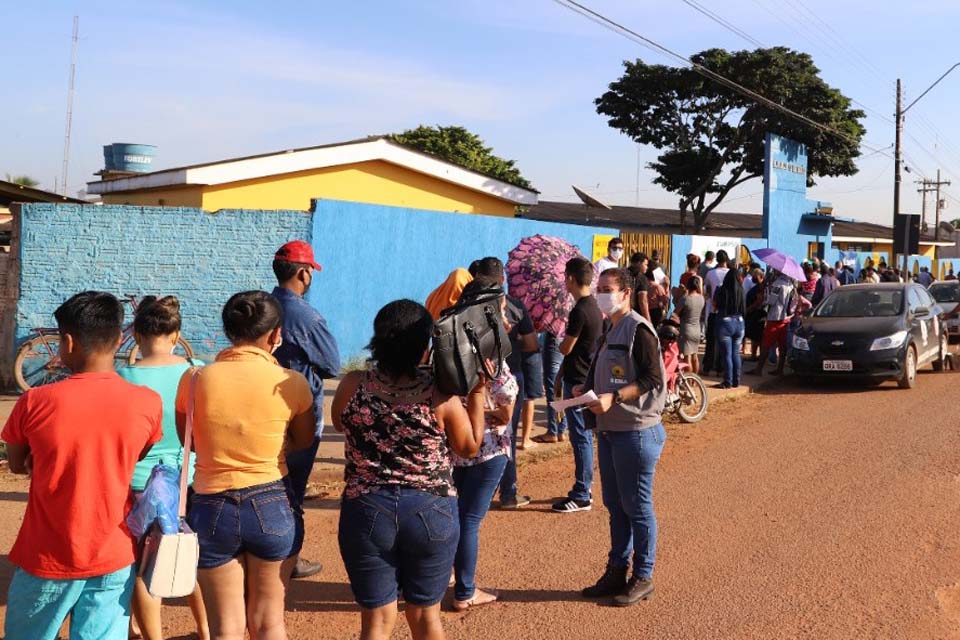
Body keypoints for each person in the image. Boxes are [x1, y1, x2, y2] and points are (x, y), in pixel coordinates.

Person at [3, 291, 163, 640]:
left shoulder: (35, 401)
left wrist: (45, 457)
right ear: (119, 338)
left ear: (68, 341)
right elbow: (135, 453)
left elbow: (16, 463)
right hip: (114, 552)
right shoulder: (147, 403)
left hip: (47, 554)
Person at [332, 299, 487, 640]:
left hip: (367, 507)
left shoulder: (352, 385)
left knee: (376, 620)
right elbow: (468, 447)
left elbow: (339, 423)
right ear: (426, 346)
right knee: (425, 616)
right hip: (431, 510)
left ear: (377, 340)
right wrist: (477, 394)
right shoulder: (440, 395)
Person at [179, 291, 316, 639]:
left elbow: (187, 440)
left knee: (225, 628)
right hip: (272, 502)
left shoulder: (194, 379)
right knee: (269, 622)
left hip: (211, 506)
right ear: (275, 335)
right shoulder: (293, 383)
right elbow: (302, 441)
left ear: (229, 331)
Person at [118, 296, 210, 640]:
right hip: (188, 480)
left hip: (137, 482)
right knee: (189, 555)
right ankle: (205, 630)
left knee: (144, 565)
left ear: (137, 336)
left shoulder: (121, 377)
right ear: (176, 334)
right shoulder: (197, 370)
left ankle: (151, 635)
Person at [579, 268, 666, 607]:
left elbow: (652, 378)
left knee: (637, 507)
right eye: (599, 288)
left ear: (626, 293)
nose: (601, 294)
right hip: (611, 430)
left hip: (636, 432)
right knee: (615, 506)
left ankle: (643, 575)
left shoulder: (638, 329)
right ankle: (617, 569)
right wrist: (584, 392)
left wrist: (613, 398)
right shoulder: (609, 328)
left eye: (608, 289)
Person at [271, 240, 341, 580]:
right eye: (310, 270)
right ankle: (288, 560)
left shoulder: (261, 305)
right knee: (292, 491)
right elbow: (330, 364)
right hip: (298, 413)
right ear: (304, 273)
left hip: (262, 411)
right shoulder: (306, 315)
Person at [449, 278, 519, 609]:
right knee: (469, 520)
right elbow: (505, 412)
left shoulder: (451, 341)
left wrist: (464, 411)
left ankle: (443, 577)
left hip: (455, 445)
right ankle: (465, 591)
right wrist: (484, 409)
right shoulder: (492, 347)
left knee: (454, 515)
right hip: (488, 449)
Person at [470, 257, 538, 509]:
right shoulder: (516, 306)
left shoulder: (465, 307)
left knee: (473, 430)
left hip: (473, 377)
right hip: (508, 376)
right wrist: (512, 340)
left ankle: (473, 490)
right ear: (502, 280)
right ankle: (508, 494)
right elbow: (532, 345)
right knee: (505, 434)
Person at [552, 257, 604, 514]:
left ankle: (582, 493)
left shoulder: (580, 311)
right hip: (583, 378)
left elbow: (567, 347)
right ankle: (584, 489)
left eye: (565, 276)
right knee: (583, 437)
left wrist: (559, 340)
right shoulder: (593, 307)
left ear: (571, 278)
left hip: (579, 383)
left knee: (581, 438)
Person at [749, 271, 796, 377]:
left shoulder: (778, 284)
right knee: (782, 346)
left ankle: (759, 369)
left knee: (766, 344)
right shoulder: (790, 284)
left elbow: (771, 301)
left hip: (775, 317)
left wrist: (765, 296)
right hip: (786, 318)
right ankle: (780, 369)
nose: (774, 271)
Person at [714, 270, 747, 389]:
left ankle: (727, 381)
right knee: (735, 353)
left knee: (726, 354)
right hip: (739, 322)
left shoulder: (721, 290)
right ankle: (736, 381)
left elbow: (715, 305)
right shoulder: (741, 290)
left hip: (725, 323)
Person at [702, 250, 731, 376]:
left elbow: (707, 292)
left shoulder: (710, 273)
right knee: (723, 341)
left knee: (711, 341)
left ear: (716, 260)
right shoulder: (731, 274)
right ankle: (720, 369)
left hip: (713, 311)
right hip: (727, 311)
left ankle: (707, 368)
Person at [533, 331, 565, 443]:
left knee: (553, 389)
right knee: (560, 388)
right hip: (564, 337)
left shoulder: (554, 314)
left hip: (554, 339)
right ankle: (560, 429)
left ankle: (553, 431)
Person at [676, 278, 704, 374]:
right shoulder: (701, 298)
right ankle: (695, 380)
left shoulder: (686, 299)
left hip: (686, 329)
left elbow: (676, 313)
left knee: (687, 357)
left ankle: (688, 380)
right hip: (697, 329)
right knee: (695, 356)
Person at [744, 269, 767, 360]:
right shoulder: (758, 286)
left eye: (755, 276)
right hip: (754, 313)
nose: (753, 277)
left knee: (758, 336)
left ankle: (756, 356)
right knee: (755, 336)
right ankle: (754, 355)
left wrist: (749, 309)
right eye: (753, 275)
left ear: (761, 277)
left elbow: (759, 301)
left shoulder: (761, 287)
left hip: (758, 314)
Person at [628, 252, 651, 322]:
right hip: (635, 317)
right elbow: (643, 301)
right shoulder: (641, 278)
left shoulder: (622, 274)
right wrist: (648, 321)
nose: (647, 267)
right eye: (646, 265)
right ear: (639, 263)